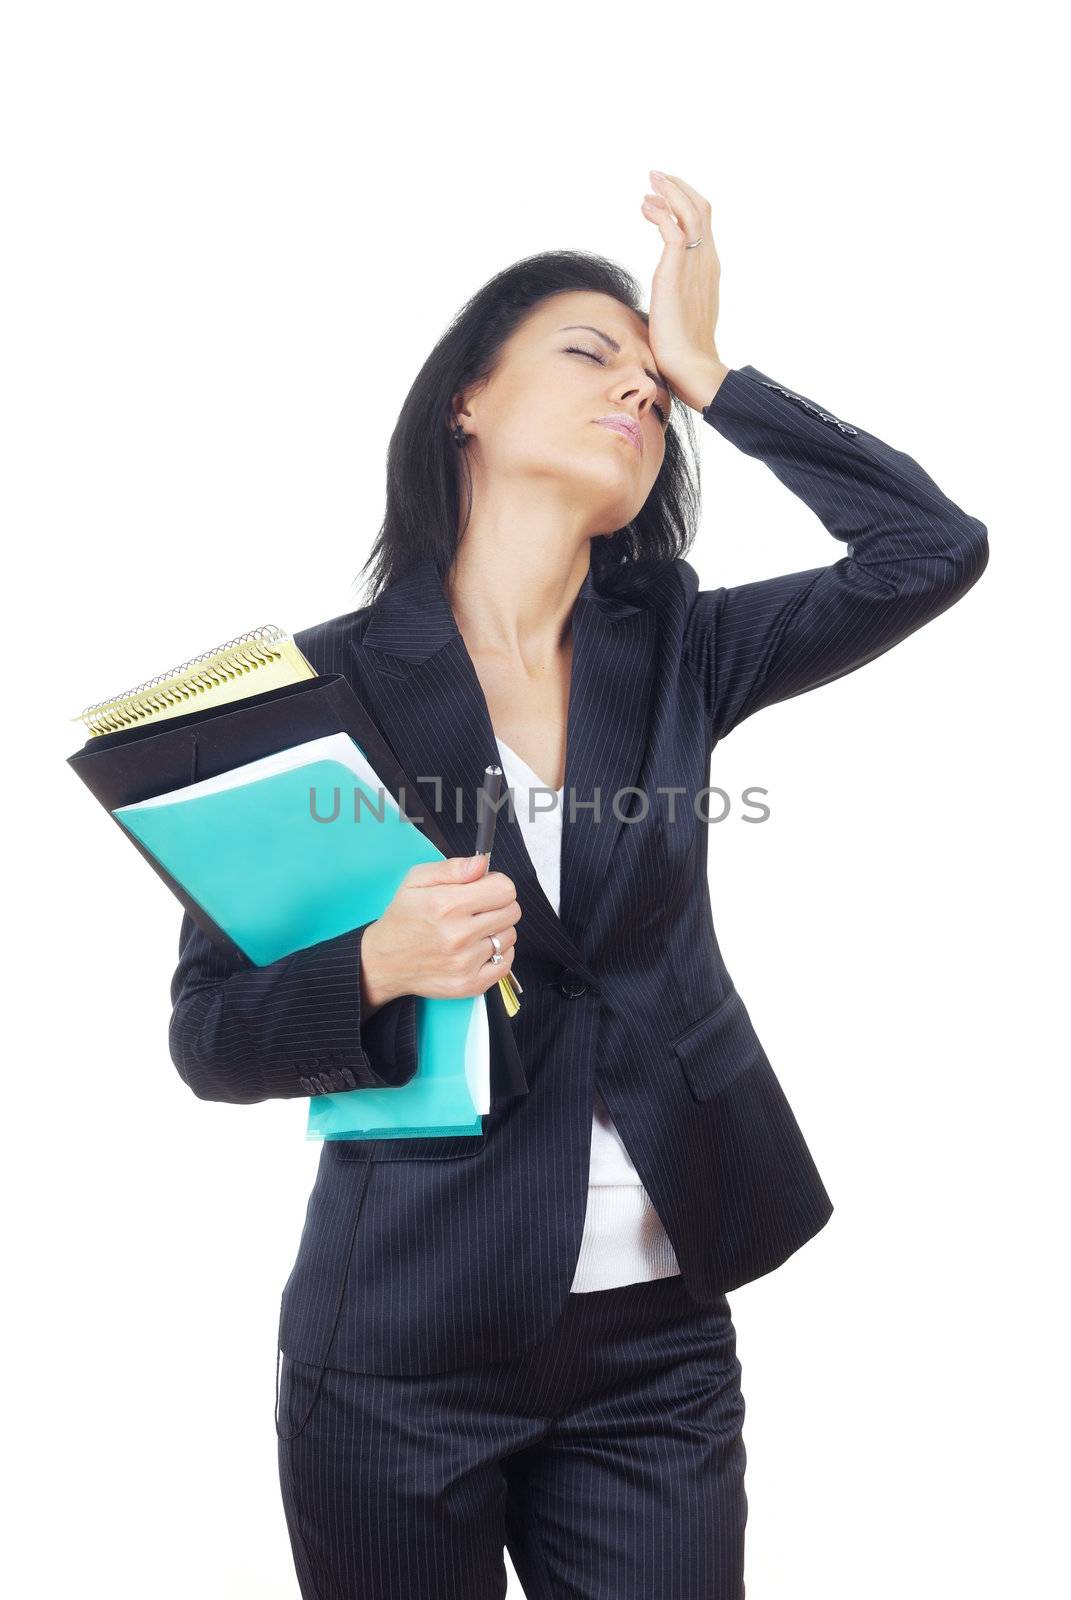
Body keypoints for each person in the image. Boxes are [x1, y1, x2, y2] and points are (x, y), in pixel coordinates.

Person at [169, 170, 989, 1599]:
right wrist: (373, 965)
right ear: (464, 403)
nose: (638, 390)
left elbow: (934, 551)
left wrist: (716, 372)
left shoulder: (677, 644)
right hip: (397, 1349)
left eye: (652, 383)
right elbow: (206, 1035)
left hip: (655, 1346)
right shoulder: (313, 693)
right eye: (591, 353)